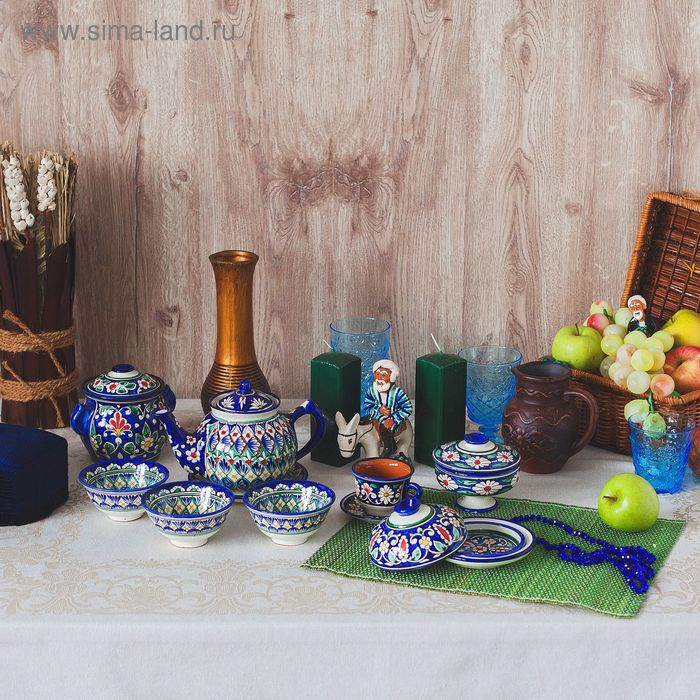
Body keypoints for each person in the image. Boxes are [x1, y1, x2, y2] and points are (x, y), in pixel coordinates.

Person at [362, 360, 412, 455]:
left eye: (383, 375)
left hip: (391, 418)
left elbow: (407, 408)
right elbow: (367, 406)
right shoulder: (372, 390)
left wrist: (393, 419)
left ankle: (389, 448)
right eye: (377, 374)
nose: (379, 378)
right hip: (376, 416)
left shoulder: (398, 393)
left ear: (391, 377)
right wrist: (379, 410)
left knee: (385, 428)